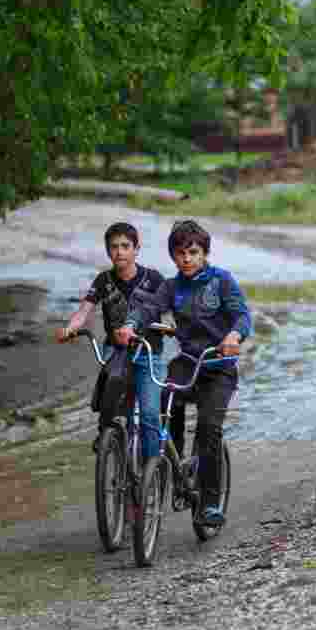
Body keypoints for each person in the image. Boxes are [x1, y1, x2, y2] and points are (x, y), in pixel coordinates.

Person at [113, 219, 251, 527]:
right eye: (180, 254)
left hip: (217, 367)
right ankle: (171, 466)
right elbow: (149, 308)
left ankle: (211, 503)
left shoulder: (222, 281)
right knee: (162, 400)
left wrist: (233, 337)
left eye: (193, 252)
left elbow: (242, 315)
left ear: (204, 253)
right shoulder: (172, 286)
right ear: (173, 256)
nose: (186, 259)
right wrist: (130, 325)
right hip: (187, 362)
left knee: (208, 429)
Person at [56, 222, 167, 460]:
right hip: (116, 353)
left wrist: (175, 326)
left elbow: (172, 309)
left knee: (149, 415)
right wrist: (69, 328)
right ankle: (109, 442)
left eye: (126, 246)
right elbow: (84, 311)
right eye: (114, 247)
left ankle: (152, 471)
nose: (120, 252)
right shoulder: (103, 281)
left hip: (149, 353)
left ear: (137, 249)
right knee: (115, 407)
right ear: (108, 251)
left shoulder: (155, 279)